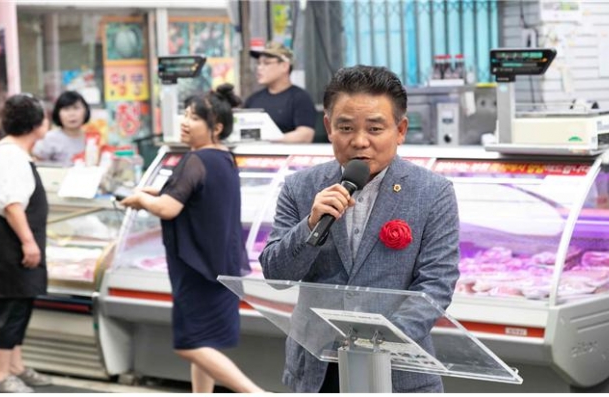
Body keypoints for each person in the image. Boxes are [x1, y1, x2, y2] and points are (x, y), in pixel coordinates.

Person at [259, 65, 460, 393]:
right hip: (316, 371)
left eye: (375, 128)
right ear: (328, 127)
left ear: (400, 130)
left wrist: (376, 343)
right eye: (346, 127)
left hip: (397, 372)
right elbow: (276, 276)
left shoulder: (432, 192)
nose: (360, 141)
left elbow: (436, 285)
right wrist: (310, 225)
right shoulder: (300, 187)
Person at [120, 84, 264, 393]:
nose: (185, 122)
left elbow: (169, 209)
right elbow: (197, 199)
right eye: (185, 115)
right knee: (205, 341)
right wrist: (155, 194)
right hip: (219, 265)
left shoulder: (196, 159)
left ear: (217, 127)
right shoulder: (223, 158)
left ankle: (257, 393)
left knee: (189, 343)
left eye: (194, 118)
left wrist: (142, 200)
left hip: (197, 268)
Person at [0, 94, 53, 393]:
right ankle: (0, 375)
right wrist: (28, 242)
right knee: (9, 307)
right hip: (9, 245)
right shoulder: (9, 156)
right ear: (36, 124)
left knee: (21, 304)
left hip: (16, 244)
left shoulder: (15, 154)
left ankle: (16, 365)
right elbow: (11, 205)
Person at [245, 42, 317, 143]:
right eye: (258, 63)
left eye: (266, 63)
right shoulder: (253, 99)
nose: (259, 68)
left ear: (284, 66)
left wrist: (267, 140)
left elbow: (305, 135)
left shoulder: (300, 98)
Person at [32, 90, 91, 165]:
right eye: (66, 109)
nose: (72, 114)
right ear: (58, 113)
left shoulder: (91, 139)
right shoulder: (50, 138)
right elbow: (37, 162)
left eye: (76, 108)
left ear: (86, 111)